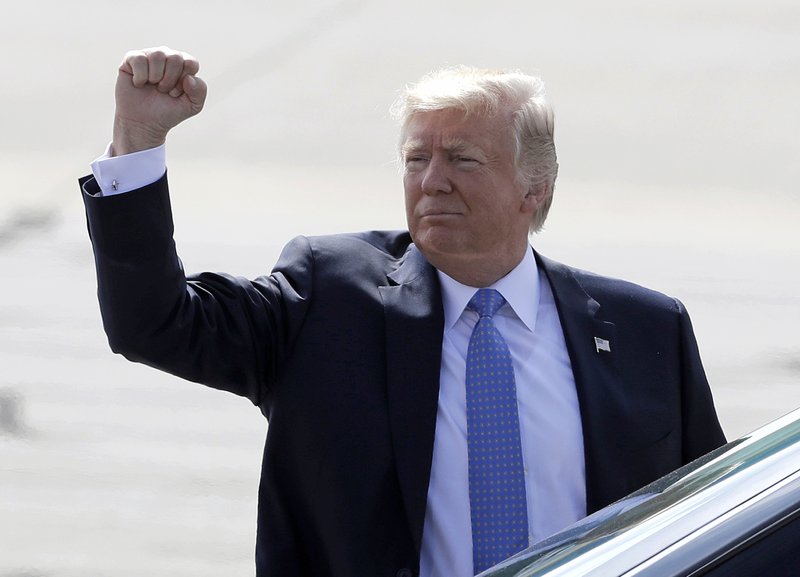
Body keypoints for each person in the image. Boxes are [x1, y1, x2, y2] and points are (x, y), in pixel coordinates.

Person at [79, 47, 726, 577]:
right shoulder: (328, 296)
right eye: (417, 158)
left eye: (462, 159)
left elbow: (715, 517)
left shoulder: (646, 330)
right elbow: (154, 323)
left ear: (536, 185)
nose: (432, 180)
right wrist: (139, 140)